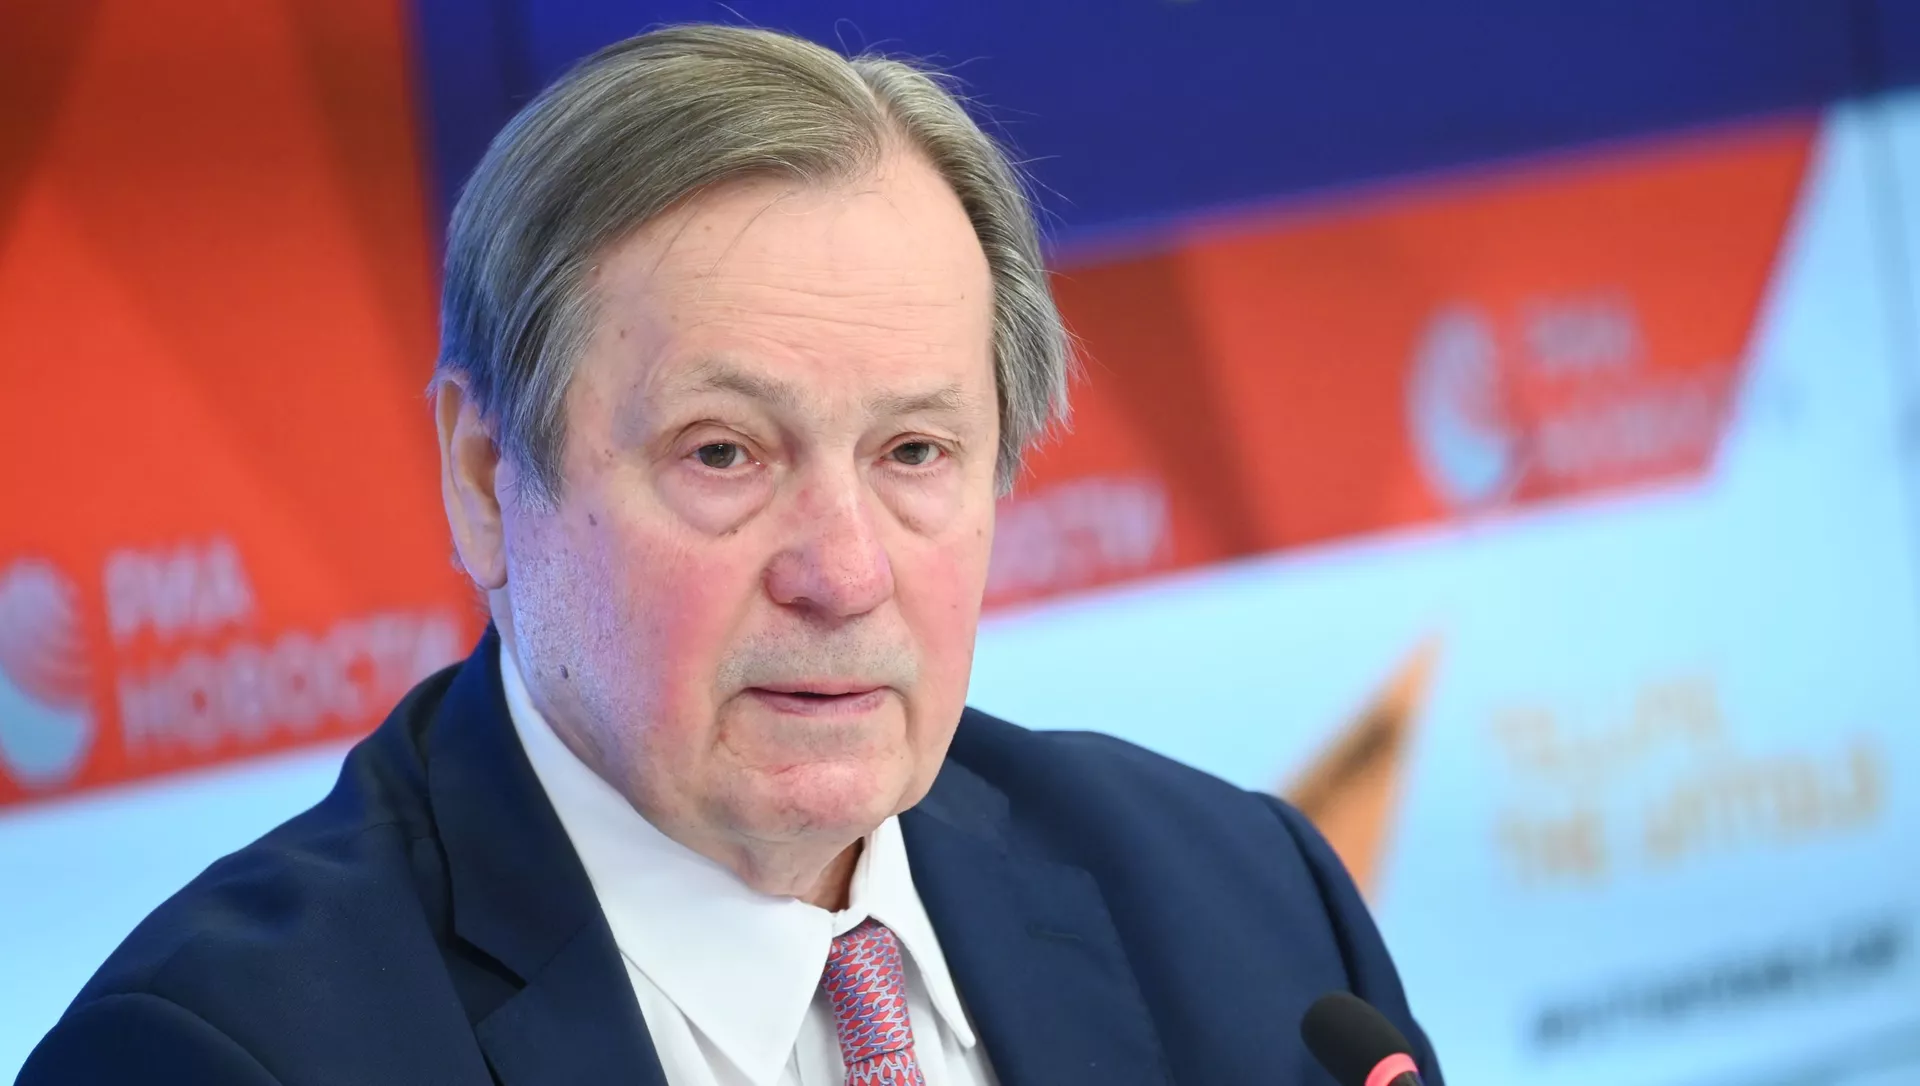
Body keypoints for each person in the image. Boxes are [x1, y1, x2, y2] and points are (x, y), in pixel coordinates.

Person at [20, 24, 1441, 1086]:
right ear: (486, 479)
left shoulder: (1249, 904)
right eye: (725, 454)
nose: (844, 571)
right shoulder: (221, 1055)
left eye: (914, 452)